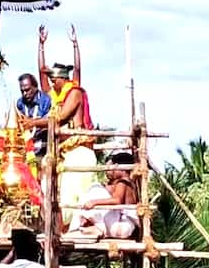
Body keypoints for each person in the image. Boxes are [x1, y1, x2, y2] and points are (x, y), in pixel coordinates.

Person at [22, 24, 96, 228]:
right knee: (56, 196)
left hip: (79, 152)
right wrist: (41, 45)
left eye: (54, 79)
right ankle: (57, 231)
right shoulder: (54, 94)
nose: (51, 83)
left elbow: (60, 118)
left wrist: (75, 45)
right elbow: (41, 74)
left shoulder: (75, 92)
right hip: (63, 153)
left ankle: (72, 229)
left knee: (73, 199)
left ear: (62, 79)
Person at [66, 152, 139, 238]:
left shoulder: (123, 182)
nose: (113, 171)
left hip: (120, 225)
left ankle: (82, 227)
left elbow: (117, 200)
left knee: (95, 187)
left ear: (122, 168)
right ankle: (91, 226)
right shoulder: (131, 184)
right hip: (126, 227)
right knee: (96, 189)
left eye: (114, 168)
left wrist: (94, 202)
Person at [17, 73, 51, 158]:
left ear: (35, 87)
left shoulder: (46, 101)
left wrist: (33, 123)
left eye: (27, 90)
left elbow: (50, 121)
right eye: (22, 91)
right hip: (25, 149)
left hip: (43, 149)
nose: (24, 93)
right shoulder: (20, 103)